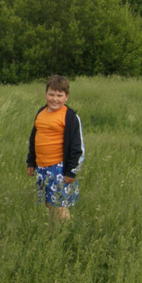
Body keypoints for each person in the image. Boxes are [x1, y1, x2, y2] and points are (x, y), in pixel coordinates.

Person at [26, 75, 84, 222]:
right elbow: (34, 139)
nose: (54, 99)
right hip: (42, 167)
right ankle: (53, 233)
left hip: (59, 167)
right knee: (48, 203)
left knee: (60, 206)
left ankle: (67, 235)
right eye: (51, 94)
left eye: (59, 95)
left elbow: (76, 146)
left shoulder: (69, 117)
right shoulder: (41, 112)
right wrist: (31, 162)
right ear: (46, 94)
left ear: (66, 97)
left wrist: (71, 171)